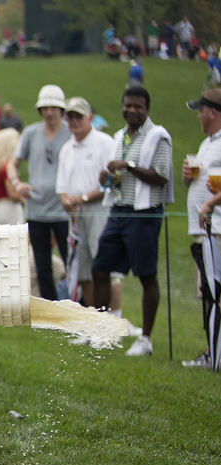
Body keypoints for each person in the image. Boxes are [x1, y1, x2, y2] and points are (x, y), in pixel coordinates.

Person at [92, 85, 174, 357]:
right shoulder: (119, 136)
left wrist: (127, 166)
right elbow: (117, 175)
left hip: (145, 213)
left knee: (146, 275)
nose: (132, 110)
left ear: (147, 109)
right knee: (100, 268)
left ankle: (146, 340)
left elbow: (161, 177)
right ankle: (103, 330)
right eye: (128, 105)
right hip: (119, 210)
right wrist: (108, 177)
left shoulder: (158, 136)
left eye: (138, 106)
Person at [9, 84, 72, 300]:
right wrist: (17, 183)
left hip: (63, 208)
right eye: (45, 107)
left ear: (61, 110)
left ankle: (77, 304)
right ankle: (50, 308)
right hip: (36, 207)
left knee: (70, 259)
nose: (50, 112)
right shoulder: (31, 133)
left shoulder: (70, 133)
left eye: (54, 107)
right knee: (42, 261)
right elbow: (13, 163)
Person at [55, 97, 117, 311]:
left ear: (90, 117)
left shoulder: (105, 143)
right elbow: (62, 187)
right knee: (83, 272)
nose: (74, 121)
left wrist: (82, 198)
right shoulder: (67, 149)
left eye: (78, 116)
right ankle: (94, 322)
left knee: (104, 268)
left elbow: (111, 183)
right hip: (76, 215)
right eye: (70, 117)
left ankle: (113, 320)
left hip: (100, 211)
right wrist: (66, 201)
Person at [181, 86, 221, 370]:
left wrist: (210, 204)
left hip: (217, 227)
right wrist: (188, 179)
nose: (198, 116)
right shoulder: (207, 143)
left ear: (213, 112)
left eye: (201, 111)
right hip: (203, 228)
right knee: (206, 292)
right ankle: (211, 349)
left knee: (216, 290)